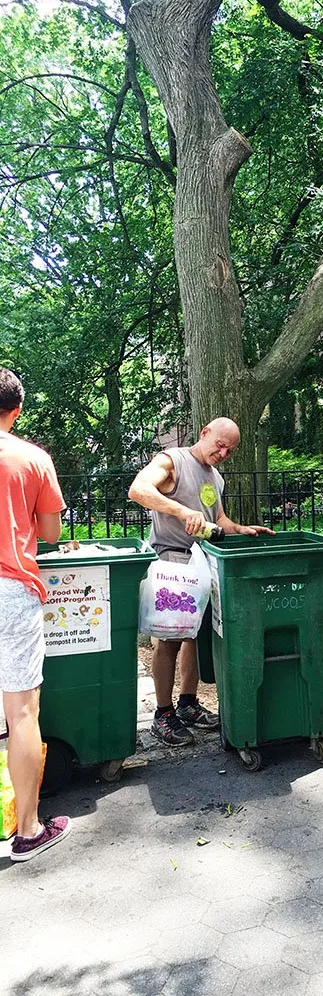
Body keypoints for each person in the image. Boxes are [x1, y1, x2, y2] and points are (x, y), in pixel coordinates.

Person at [128, 418, 275, 746]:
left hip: (201, 563)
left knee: (195, 637)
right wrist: (180, 511)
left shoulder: (215, 475)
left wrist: (241, 529)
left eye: (230, 450)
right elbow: (138, 490)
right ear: (205, 433)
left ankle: (188, 703)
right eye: (220, 445)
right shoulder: (172, 461)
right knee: (169, 640)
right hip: (170, 562)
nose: (223, 453)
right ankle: (163, 715)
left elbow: (218, 519)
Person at [0, 368, 72, 862]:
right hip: (10, 588)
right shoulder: (31, 459)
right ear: (17, 409)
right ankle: (27, 830)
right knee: (21, 711)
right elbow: (50, 534)